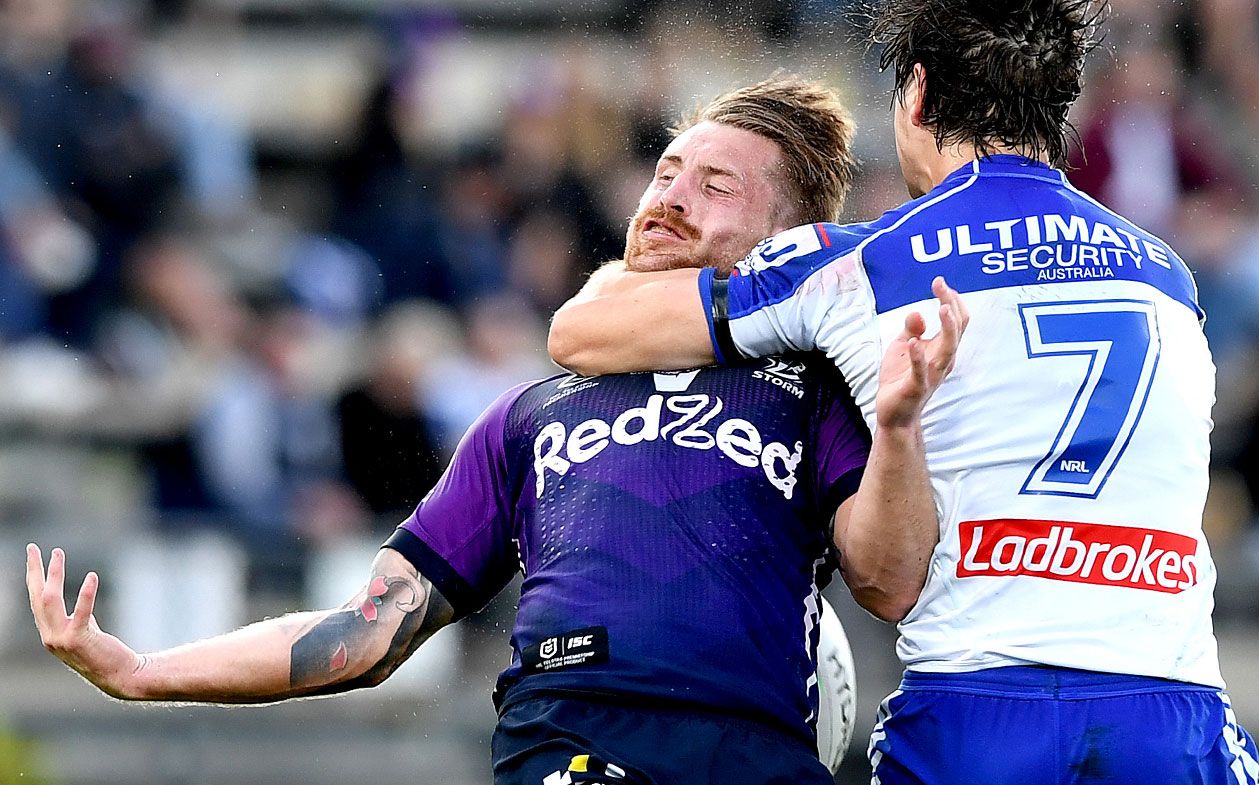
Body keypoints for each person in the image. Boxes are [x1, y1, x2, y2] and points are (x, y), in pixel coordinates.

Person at [26, 77, 968, 785]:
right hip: (572, 739)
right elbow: (367, 633)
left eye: (715, 184)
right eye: (666, 172)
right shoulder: (530, 414)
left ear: (792, 237)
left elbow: (888, 580)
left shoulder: (814, 396)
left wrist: (895, 428)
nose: (669, 197)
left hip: (754, 753)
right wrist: (145, 669)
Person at [546, 2, 1259, 783]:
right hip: (1171, 711)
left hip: (977, 709)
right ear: (1054, 105)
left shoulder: (861, 264)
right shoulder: (1166, 272)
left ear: (916, 94)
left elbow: (581, 333)